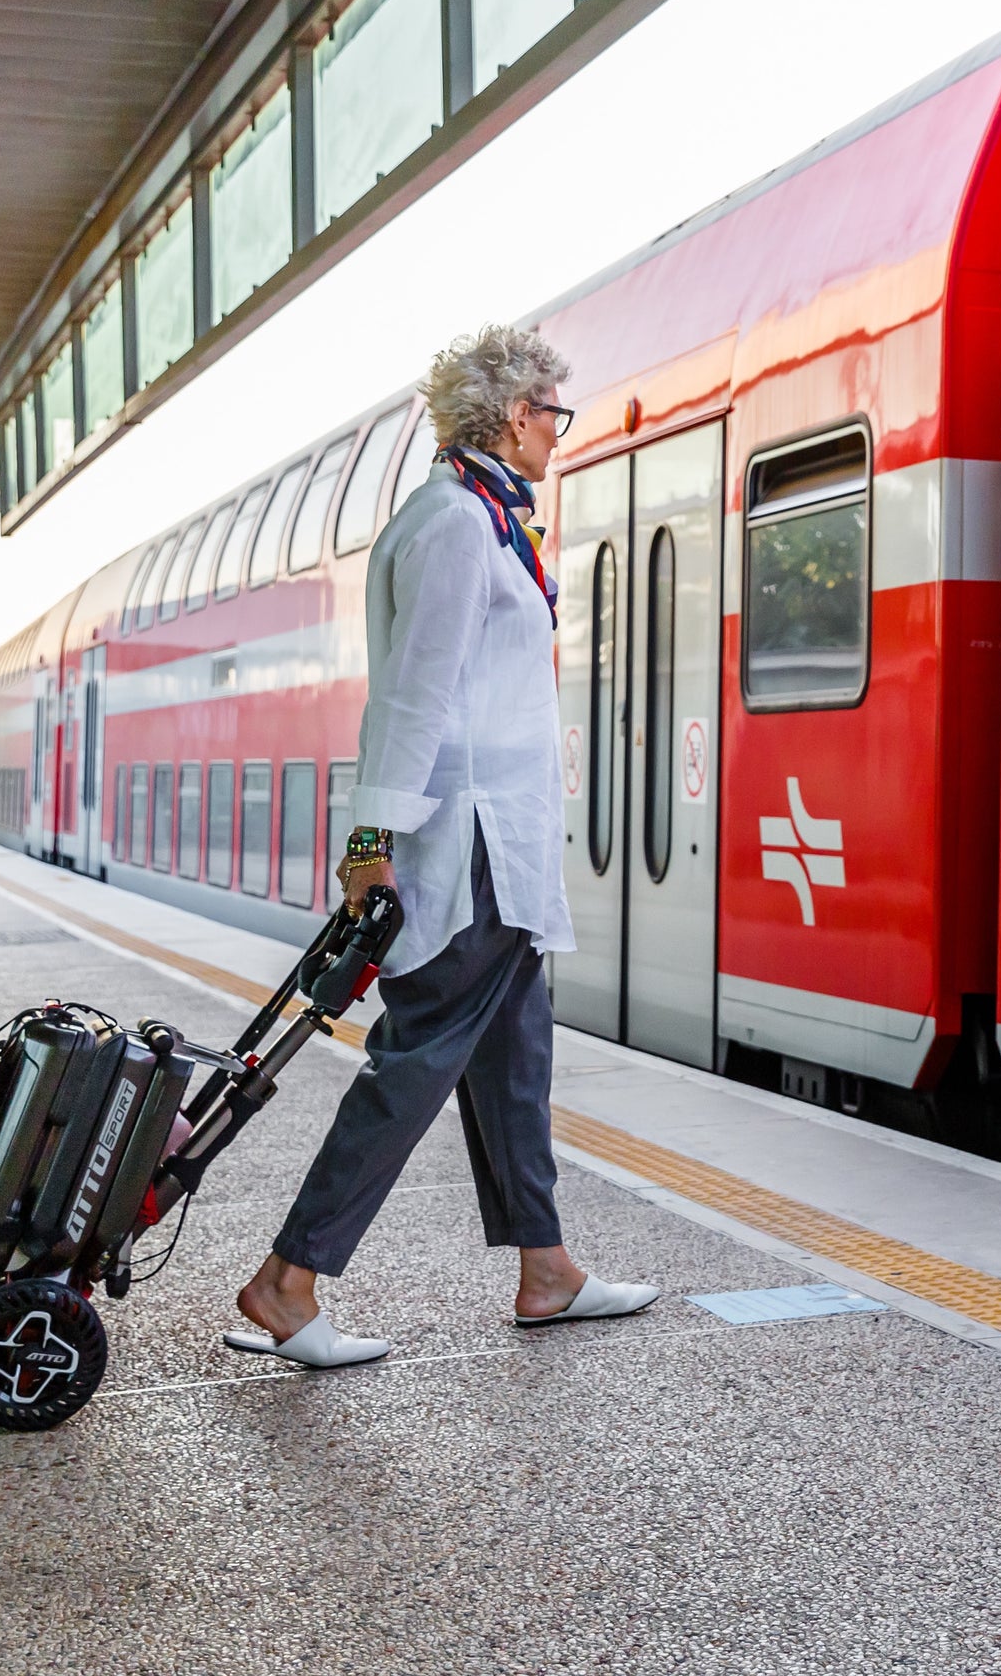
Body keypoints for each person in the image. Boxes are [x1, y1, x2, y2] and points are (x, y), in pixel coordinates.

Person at [225, 325, 657, 1366]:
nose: (560, 431)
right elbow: (412, 699)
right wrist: (367, 843)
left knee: (514, 1057)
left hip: (498, 846)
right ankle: (289, 1279)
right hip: (465, 847)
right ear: (515, 416)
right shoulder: (457, 526)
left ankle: (544, 1269)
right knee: (414, 1065)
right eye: (555, 412)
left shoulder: (481, 519)